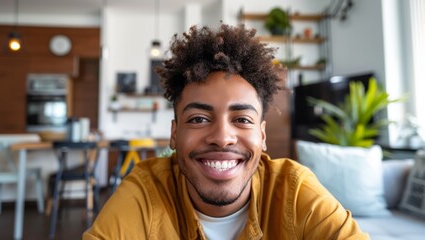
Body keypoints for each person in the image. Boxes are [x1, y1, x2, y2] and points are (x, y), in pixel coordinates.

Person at [83, 24, 369, 239]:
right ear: (174, 134)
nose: (221, 137)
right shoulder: (144, 194)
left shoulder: (294, 192)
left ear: (263, 136)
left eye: (242, 120)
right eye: (197, 119)